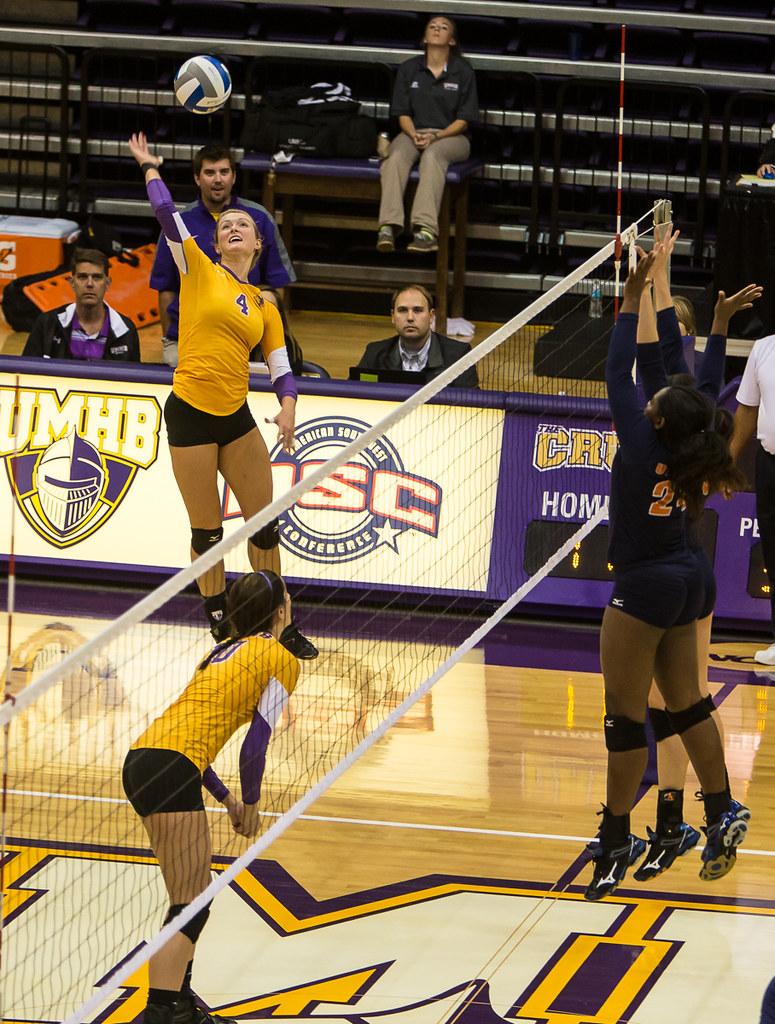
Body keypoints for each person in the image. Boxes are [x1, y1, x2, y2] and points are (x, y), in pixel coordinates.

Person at [585, 245, 749, 902]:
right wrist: (716, 323)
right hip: (690, 576)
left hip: (646, 585)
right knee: (687, 704)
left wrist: (630, 299)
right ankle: (722, 808)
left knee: (625, 720)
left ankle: (616, 836)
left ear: (656, 415)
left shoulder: (641, 437)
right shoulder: (696, 433)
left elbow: (617, 367)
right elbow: (686, 380)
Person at [127, 131, 317, 660]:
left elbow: (281, 367)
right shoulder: (197, 267)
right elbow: (166, 213)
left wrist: (288, 407)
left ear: (258, 245)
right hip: (189, 413)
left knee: (264, 527)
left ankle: (282, 623)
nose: (233, 226)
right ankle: (220, 621)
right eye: (226, 225)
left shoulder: (264, 304)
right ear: (216, 242)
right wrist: (149, 167)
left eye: (244, 225)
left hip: (235, 418)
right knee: (208, 534)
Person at [630, 225, 759, 882]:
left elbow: (653, 352)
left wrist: (652, 275)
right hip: (690, 562)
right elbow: (688, 364)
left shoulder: (662, 417)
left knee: (677, 699)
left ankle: (693, 817)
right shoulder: (699, 413)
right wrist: (711, 316)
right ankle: (678, 818)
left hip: (665, 570)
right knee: (676, 700)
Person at [122, 571, 299, 1024]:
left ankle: (179, 1006)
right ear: (280, 612)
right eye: (288, 599)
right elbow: (255, 745)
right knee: (190, 904)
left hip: (146, 759)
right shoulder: (282, 658)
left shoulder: (218, 653)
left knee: (191, 896)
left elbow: (190, 740)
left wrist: (227, 800)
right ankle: (161, 1013)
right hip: (170, 768)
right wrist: (252, 804)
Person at [149, 144, 296, 368]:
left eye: (224, 172)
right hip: (188, 338)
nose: (218, 179)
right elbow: (165, 287)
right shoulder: (182, 224)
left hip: (246, 337)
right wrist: (169, 338)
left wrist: (267, 340)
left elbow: (276, 287)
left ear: (234, 177)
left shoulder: (259, 217)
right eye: (210, 173)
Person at [376, 15, 478, 255]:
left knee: (432, 157)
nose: (436, 29)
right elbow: (402, 113)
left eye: (443, 27)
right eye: (432, 26)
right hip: (413, 131)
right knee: (395, 158)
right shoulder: (409, 68)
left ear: (452, 40)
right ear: (424, 37)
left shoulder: (463, 70)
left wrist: (436, 136)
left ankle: (426, 231)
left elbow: (464, 120)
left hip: (451, 136)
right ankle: (388, 227)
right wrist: (414, 134)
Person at [730, 316, 775, 666]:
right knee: (773, 553)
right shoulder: (763, 348)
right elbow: (746, 411)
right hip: (770, 464)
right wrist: (725, 463)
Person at [22, 247, 140, 362]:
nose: (89, 284)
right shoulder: (47, 323)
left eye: (97, 277)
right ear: (72, 283)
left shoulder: (126, 329)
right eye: (83, 277)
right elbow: (26, 370)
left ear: (107, 283)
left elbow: (134, 374)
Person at [355, 284, 479, 388]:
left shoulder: (459, 355)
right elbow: (354, 392)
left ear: (431, 316)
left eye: (417, 310)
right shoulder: (374, 353)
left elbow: (471, 403)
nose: (410, 317)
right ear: (393, 316)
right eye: (403, 310)